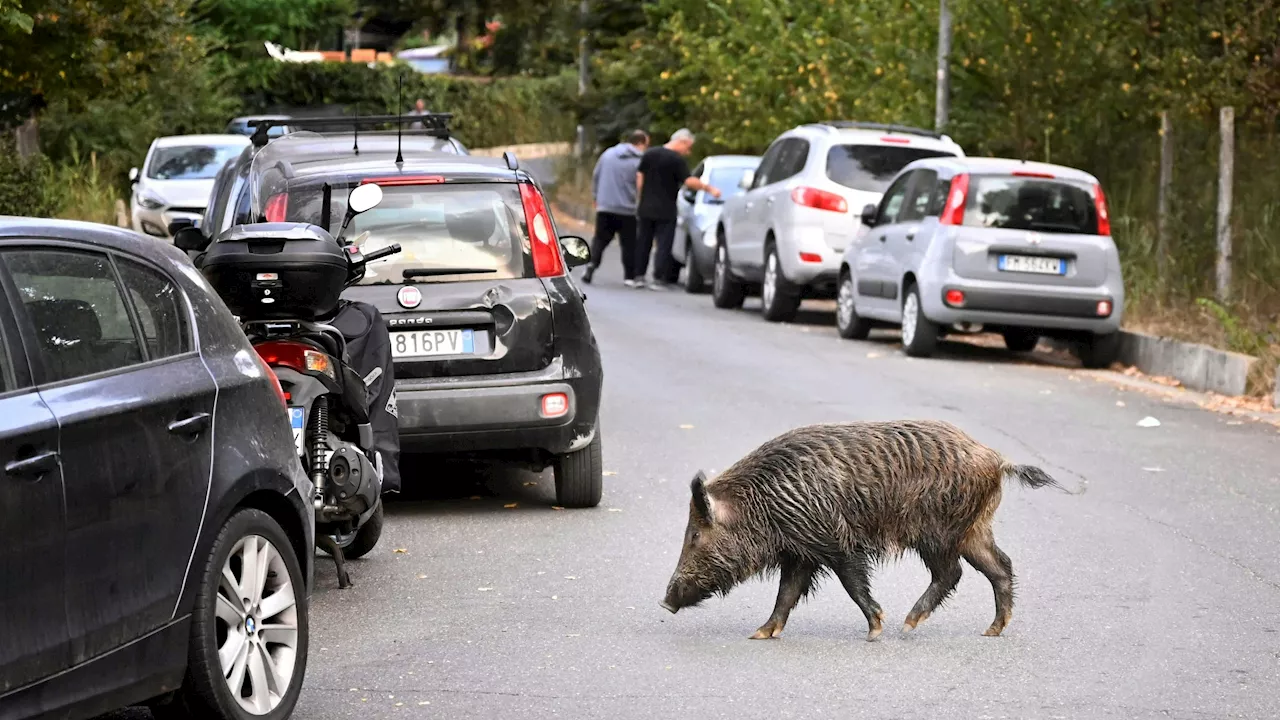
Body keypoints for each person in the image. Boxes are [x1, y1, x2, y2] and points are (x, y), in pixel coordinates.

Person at [634, 128, 720, 290]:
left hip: (646, 206)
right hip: (666, 209)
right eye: (688, 147)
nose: (688, 152)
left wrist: (641, 197)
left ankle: (639, 276)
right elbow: (688, 182)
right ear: (682, 141)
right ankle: (658, 278)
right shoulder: (676, 160)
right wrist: (709, 189)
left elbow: (640, 176)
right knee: (664, 244)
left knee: (643, 242)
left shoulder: (650, 154)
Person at [584, 129, 649, 285]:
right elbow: (641, 184)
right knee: (629, 244)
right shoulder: (640, 161)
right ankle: (629, 276)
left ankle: (591, 264)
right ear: (640, 143)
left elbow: (596, 175)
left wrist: (596, 197)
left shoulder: (608, 154)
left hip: (605, 206)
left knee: (600, 239)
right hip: (627, 209)